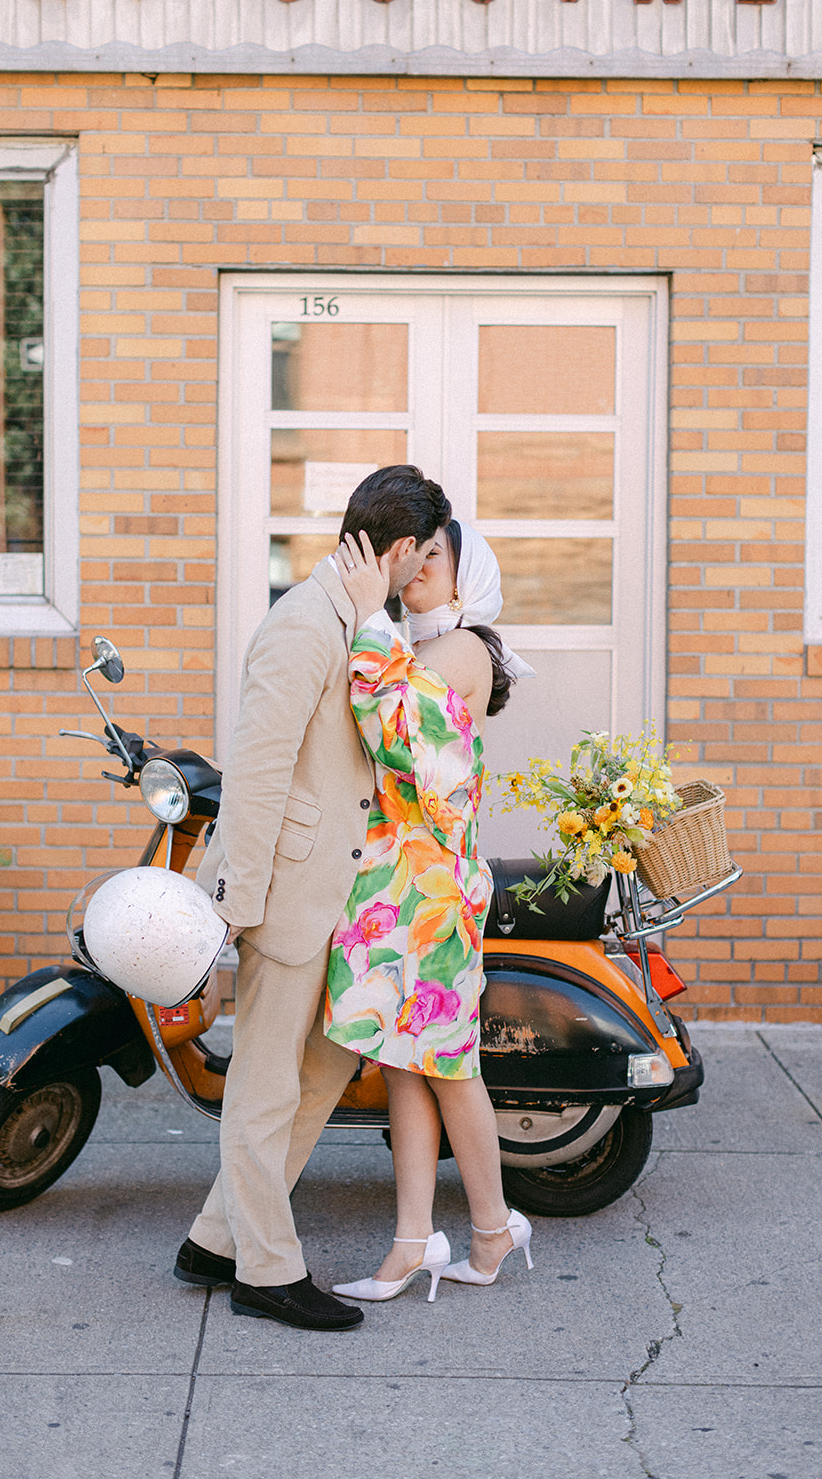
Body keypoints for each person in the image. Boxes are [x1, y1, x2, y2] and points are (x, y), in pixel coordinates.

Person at [173, 465, 451, 1333]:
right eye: (422, 560)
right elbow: (254, 775)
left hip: (347, 889)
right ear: (399, 549)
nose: (422, 577)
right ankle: (265, 1270)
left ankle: (215, 1239)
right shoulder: (302, 626)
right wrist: (233, 912)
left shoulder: (357, 621)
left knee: (325, 1066)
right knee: (262, 1089)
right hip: (288, 891)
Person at [325, 519, 536, 1302]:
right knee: (404, 1067)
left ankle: (492, 1226)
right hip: (395, 880)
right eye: (407, 553)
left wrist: (364, 610)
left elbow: (399, 737)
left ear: (462, 573)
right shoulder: (418, 645)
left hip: (431, 890)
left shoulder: (463, 648)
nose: (413, 565)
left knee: (447, 1067)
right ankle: (414, 1242)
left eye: (431, 555)